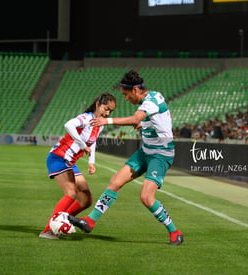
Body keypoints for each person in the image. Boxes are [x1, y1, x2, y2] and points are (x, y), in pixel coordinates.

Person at [68, 70, 184, 246]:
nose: (126, 98)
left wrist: (107, 121)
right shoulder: (151, 99)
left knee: (146, 197)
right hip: (145, 151)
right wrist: (145, 123)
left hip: (160, 154)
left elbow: (137, 117)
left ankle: (175, 232)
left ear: (136, 90)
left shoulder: (151, 102)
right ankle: (90, 221)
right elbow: (158, 117)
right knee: (115, 182)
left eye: (126, 94)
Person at [39, 93, 116, 240]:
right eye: (106, 109)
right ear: (98, 104)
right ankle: (49, 230)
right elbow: (68, 125)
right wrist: (82, 145)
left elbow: (92, 143)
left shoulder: (98, 124)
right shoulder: (86, 118)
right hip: (59, 157)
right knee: (71, 192)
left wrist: (91, 162)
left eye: (110, 111)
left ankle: (62, 221)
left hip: (69, 162)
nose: (107, 113)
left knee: (86, 199)